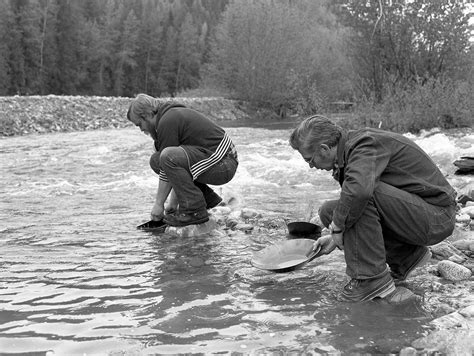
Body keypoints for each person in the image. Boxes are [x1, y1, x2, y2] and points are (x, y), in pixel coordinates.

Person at [289, 116, 456, 302]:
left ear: (324, 149)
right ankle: (406, 256)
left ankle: (370, 280)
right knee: (331, 210)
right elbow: (360, 210)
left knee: (358, 196)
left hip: (438, 216)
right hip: (419, 214)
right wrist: (335, 237)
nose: (311, 166)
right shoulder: (349, 152)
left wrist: (337, 228)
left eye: (309, 160)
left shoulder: (364, 145)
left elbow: (359, 193)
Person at [127, 94, 238, 227]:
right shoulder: (168, 116)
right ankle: (208, 199)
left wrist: (159, 205)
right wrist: (173, 206)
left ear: (147, 115)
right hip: (218, 161)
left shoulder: (168, 121)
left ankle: (194, 210)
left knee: (166, 156)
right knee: (156, 159)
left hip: (224, 163)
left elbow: (169, 161)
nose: (141, 129)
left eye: (139, 124)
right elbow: (173, 169)